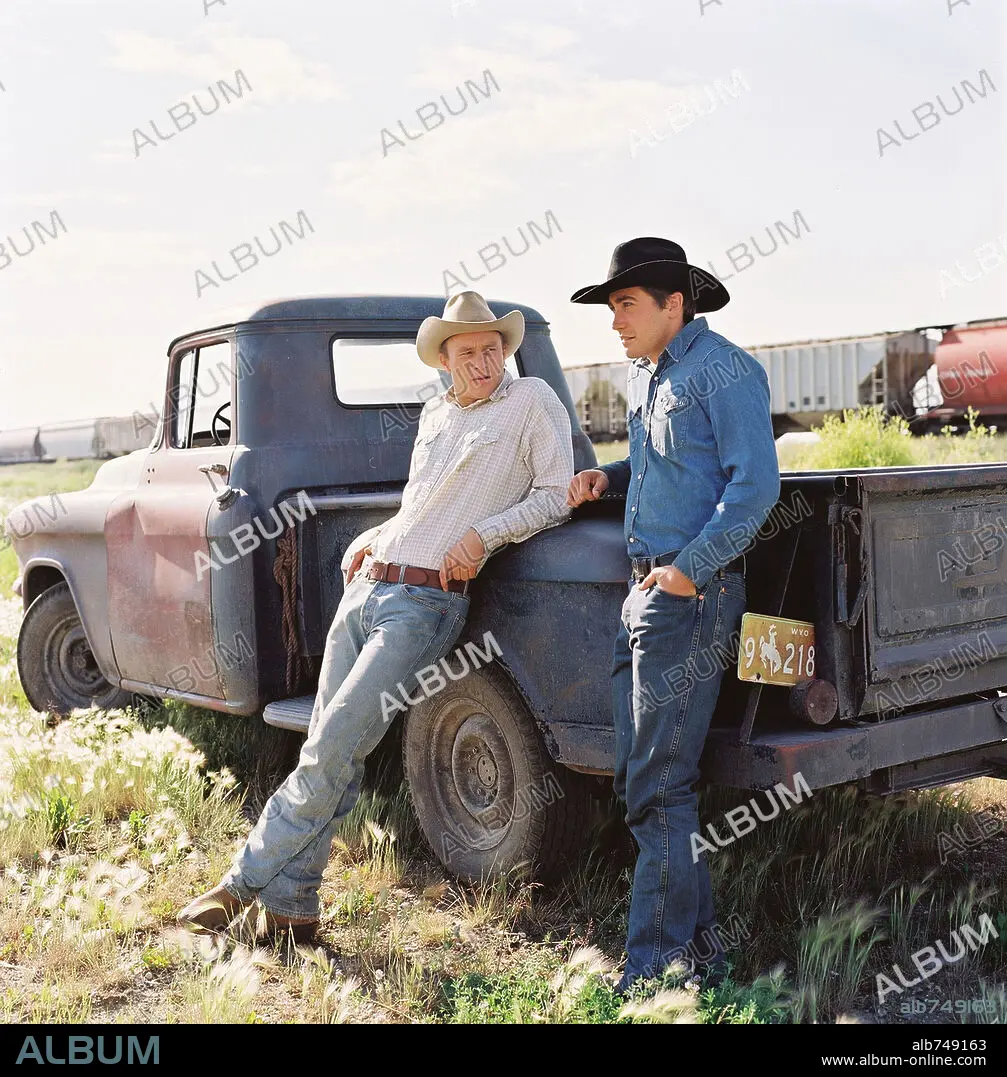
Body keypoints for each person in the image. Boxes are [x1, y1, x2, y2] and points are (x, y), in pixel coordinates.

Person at [179, 290, 574, 938]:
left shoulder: (531, 403)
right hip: (368, 587)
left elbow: (556, 494)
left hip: (423, 604)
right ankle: (293, 907)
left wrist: (488, 534)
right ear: (444, 359)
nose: (483, 361)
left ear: (505, 348)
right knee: (328, 748)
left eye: (492, 348)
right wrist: (378, 534)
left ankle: (241, 881)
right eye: (468, 351)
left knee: (333, 744)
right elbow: (423, 501)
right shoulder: (438, 414)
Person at [566, 237, 780, 993]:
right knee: (638, 779)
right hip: (643, 597)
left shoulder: (724, 371)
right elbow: (668, 464)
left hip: (688, 599)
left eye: (625, 304)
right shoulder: (649, 376)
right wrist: (608, 475)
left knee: (659, 784)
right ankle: (701, 950)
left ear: (672, 304)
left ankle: (653, 969)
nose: (615, 321)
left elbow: (753, 487)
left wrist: (688, 571)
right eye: (613, 307)